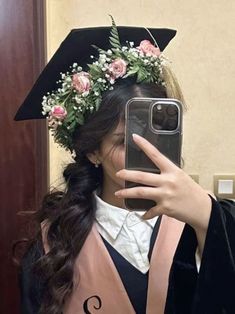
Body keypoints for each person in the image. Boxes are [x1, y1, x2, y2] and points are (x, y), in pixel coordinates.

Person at [15, 18, 235, 314]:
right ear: (93, 151)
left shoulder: (201, 219)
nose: (147, 152)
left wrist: (210, 219)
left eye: (156, 137)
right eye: (124, 142)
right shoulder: (53, 242)